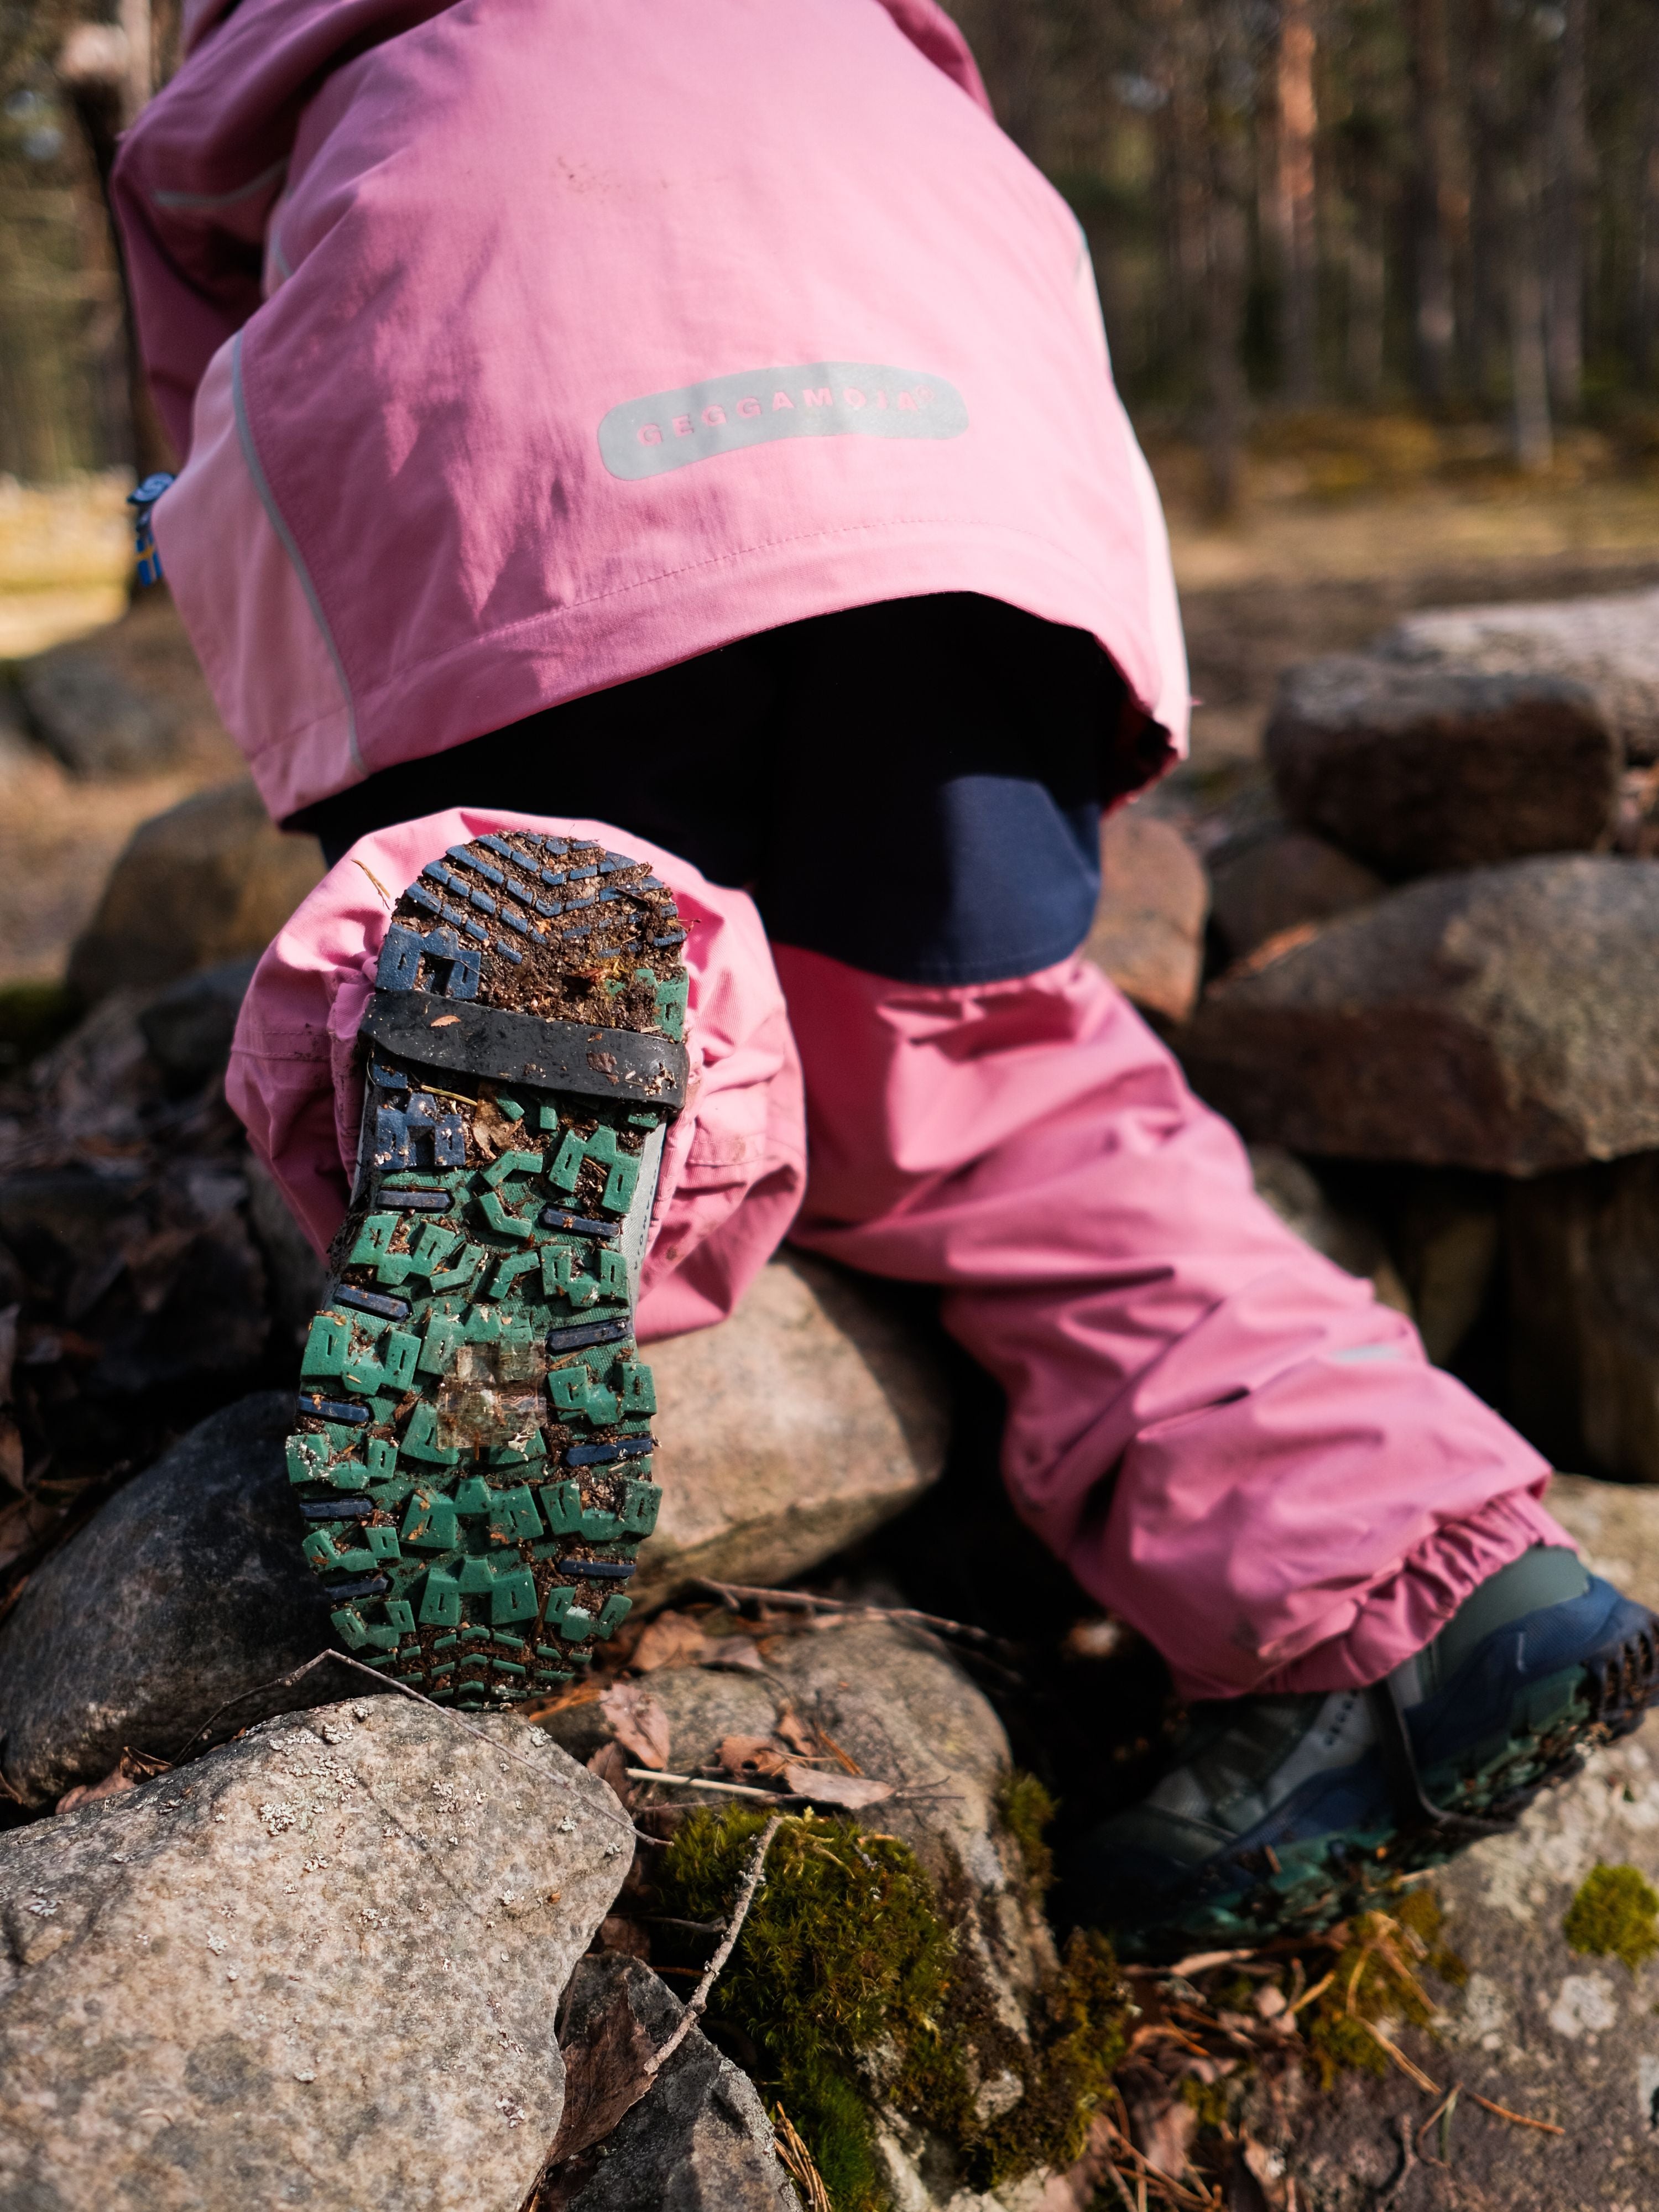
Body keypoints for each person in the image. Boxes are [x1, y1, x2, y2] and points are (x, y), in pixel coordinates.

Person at [112, 0, 1657, 1957]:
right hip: (954, 422)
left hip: (505, 389)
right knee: (993, 1060)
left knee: (552, 888)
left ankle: (567, 1066)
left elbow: (195, 315)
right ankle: (1428, 1582)